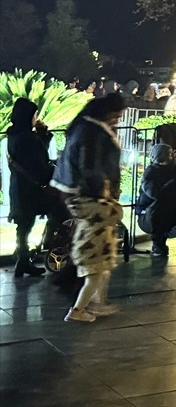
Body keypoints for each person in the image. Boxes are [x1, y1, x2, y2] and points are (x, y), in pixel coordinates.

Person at [51, 94, 126, 322]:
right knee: (97, 259)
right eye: (116, 116)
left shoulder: (84, 127)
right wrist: (104, 193)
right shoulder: (92, 132)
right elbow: (91, 166)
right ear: (107, 112)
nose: (117, 120)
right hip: (91, 197)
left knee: (97, 259)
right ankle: (84, 306)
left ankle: (92, 301)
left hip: (82, 195)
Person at [6, 98, 68, 278]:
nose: (36, 118)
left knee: (24, 225)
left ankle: (23, 260)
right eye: (34, 115)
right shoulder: (27, 137)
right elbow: (38, 162)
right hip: (33, 188)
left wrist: (41, 136)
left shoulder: (14, 134)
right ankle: (47, 247)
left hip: (20, 186)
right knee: (57, 212)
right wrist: (48, 181)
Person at [135, 143, 176, 258]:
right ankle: (158, 242)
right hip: (149, 215)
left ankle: (162, 235)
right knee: (160, 206)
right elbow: (157, 194)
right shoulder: (151, 172)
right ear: (160, 155)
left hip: (171, 213)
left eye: (173, 153)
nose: (173, 155)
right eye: (169, 153)